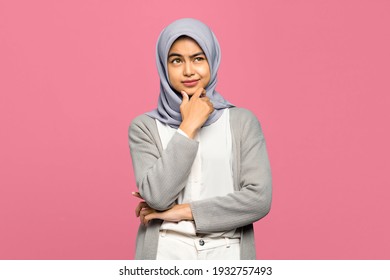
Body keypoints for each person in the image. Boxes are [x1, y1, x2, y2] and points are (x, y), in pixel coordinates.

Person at [128, 18, 272, 260]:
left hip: (228, 254)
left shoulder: (242, 122)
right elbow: (157, 196)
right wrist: (189, 125)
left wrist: (184, 211)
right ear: (163, 66)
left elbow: (258, 200)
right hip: (165, 254)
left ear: (212, 61)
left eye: (198, 58)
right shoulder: (145, 127)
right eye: (176, 60)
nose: (188, 71)